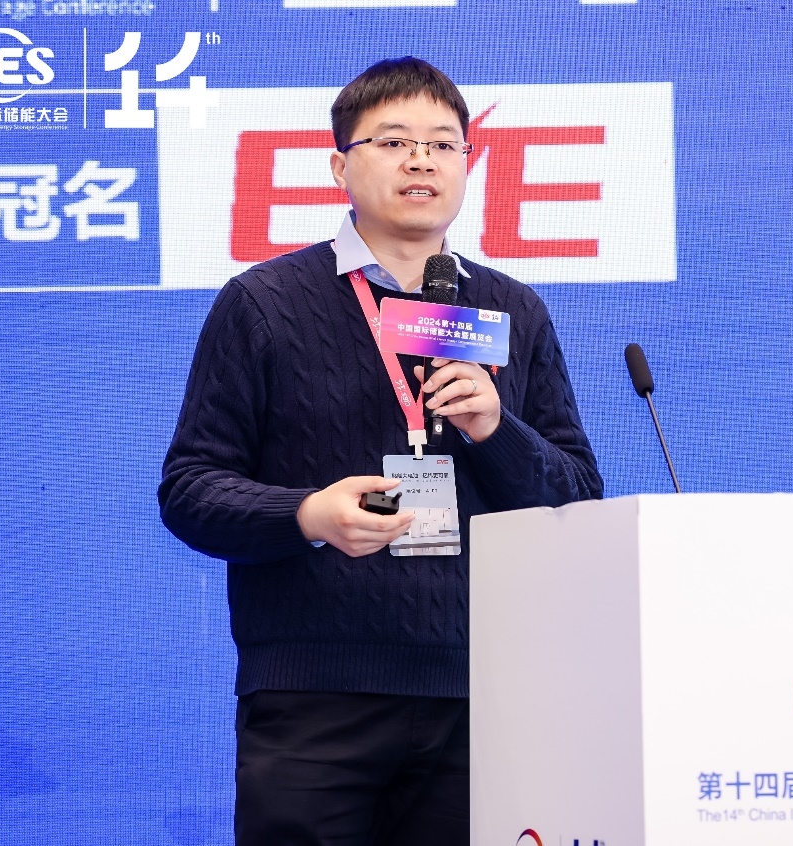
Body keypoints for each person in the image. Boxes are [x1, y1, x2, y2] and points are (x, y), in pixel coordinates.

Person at [158, 57, 603, 846]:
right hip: (315, 698)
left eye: (443, 144)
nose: (421, 161)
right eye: (394, 141)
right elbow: (190, 489)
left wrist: (497, 430)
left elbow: (578, 498)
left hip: (482, 699)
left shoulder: (513, 310)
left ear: (467, 163)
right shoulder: (264, 303)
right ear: (340, 167)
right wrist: (307, 514)